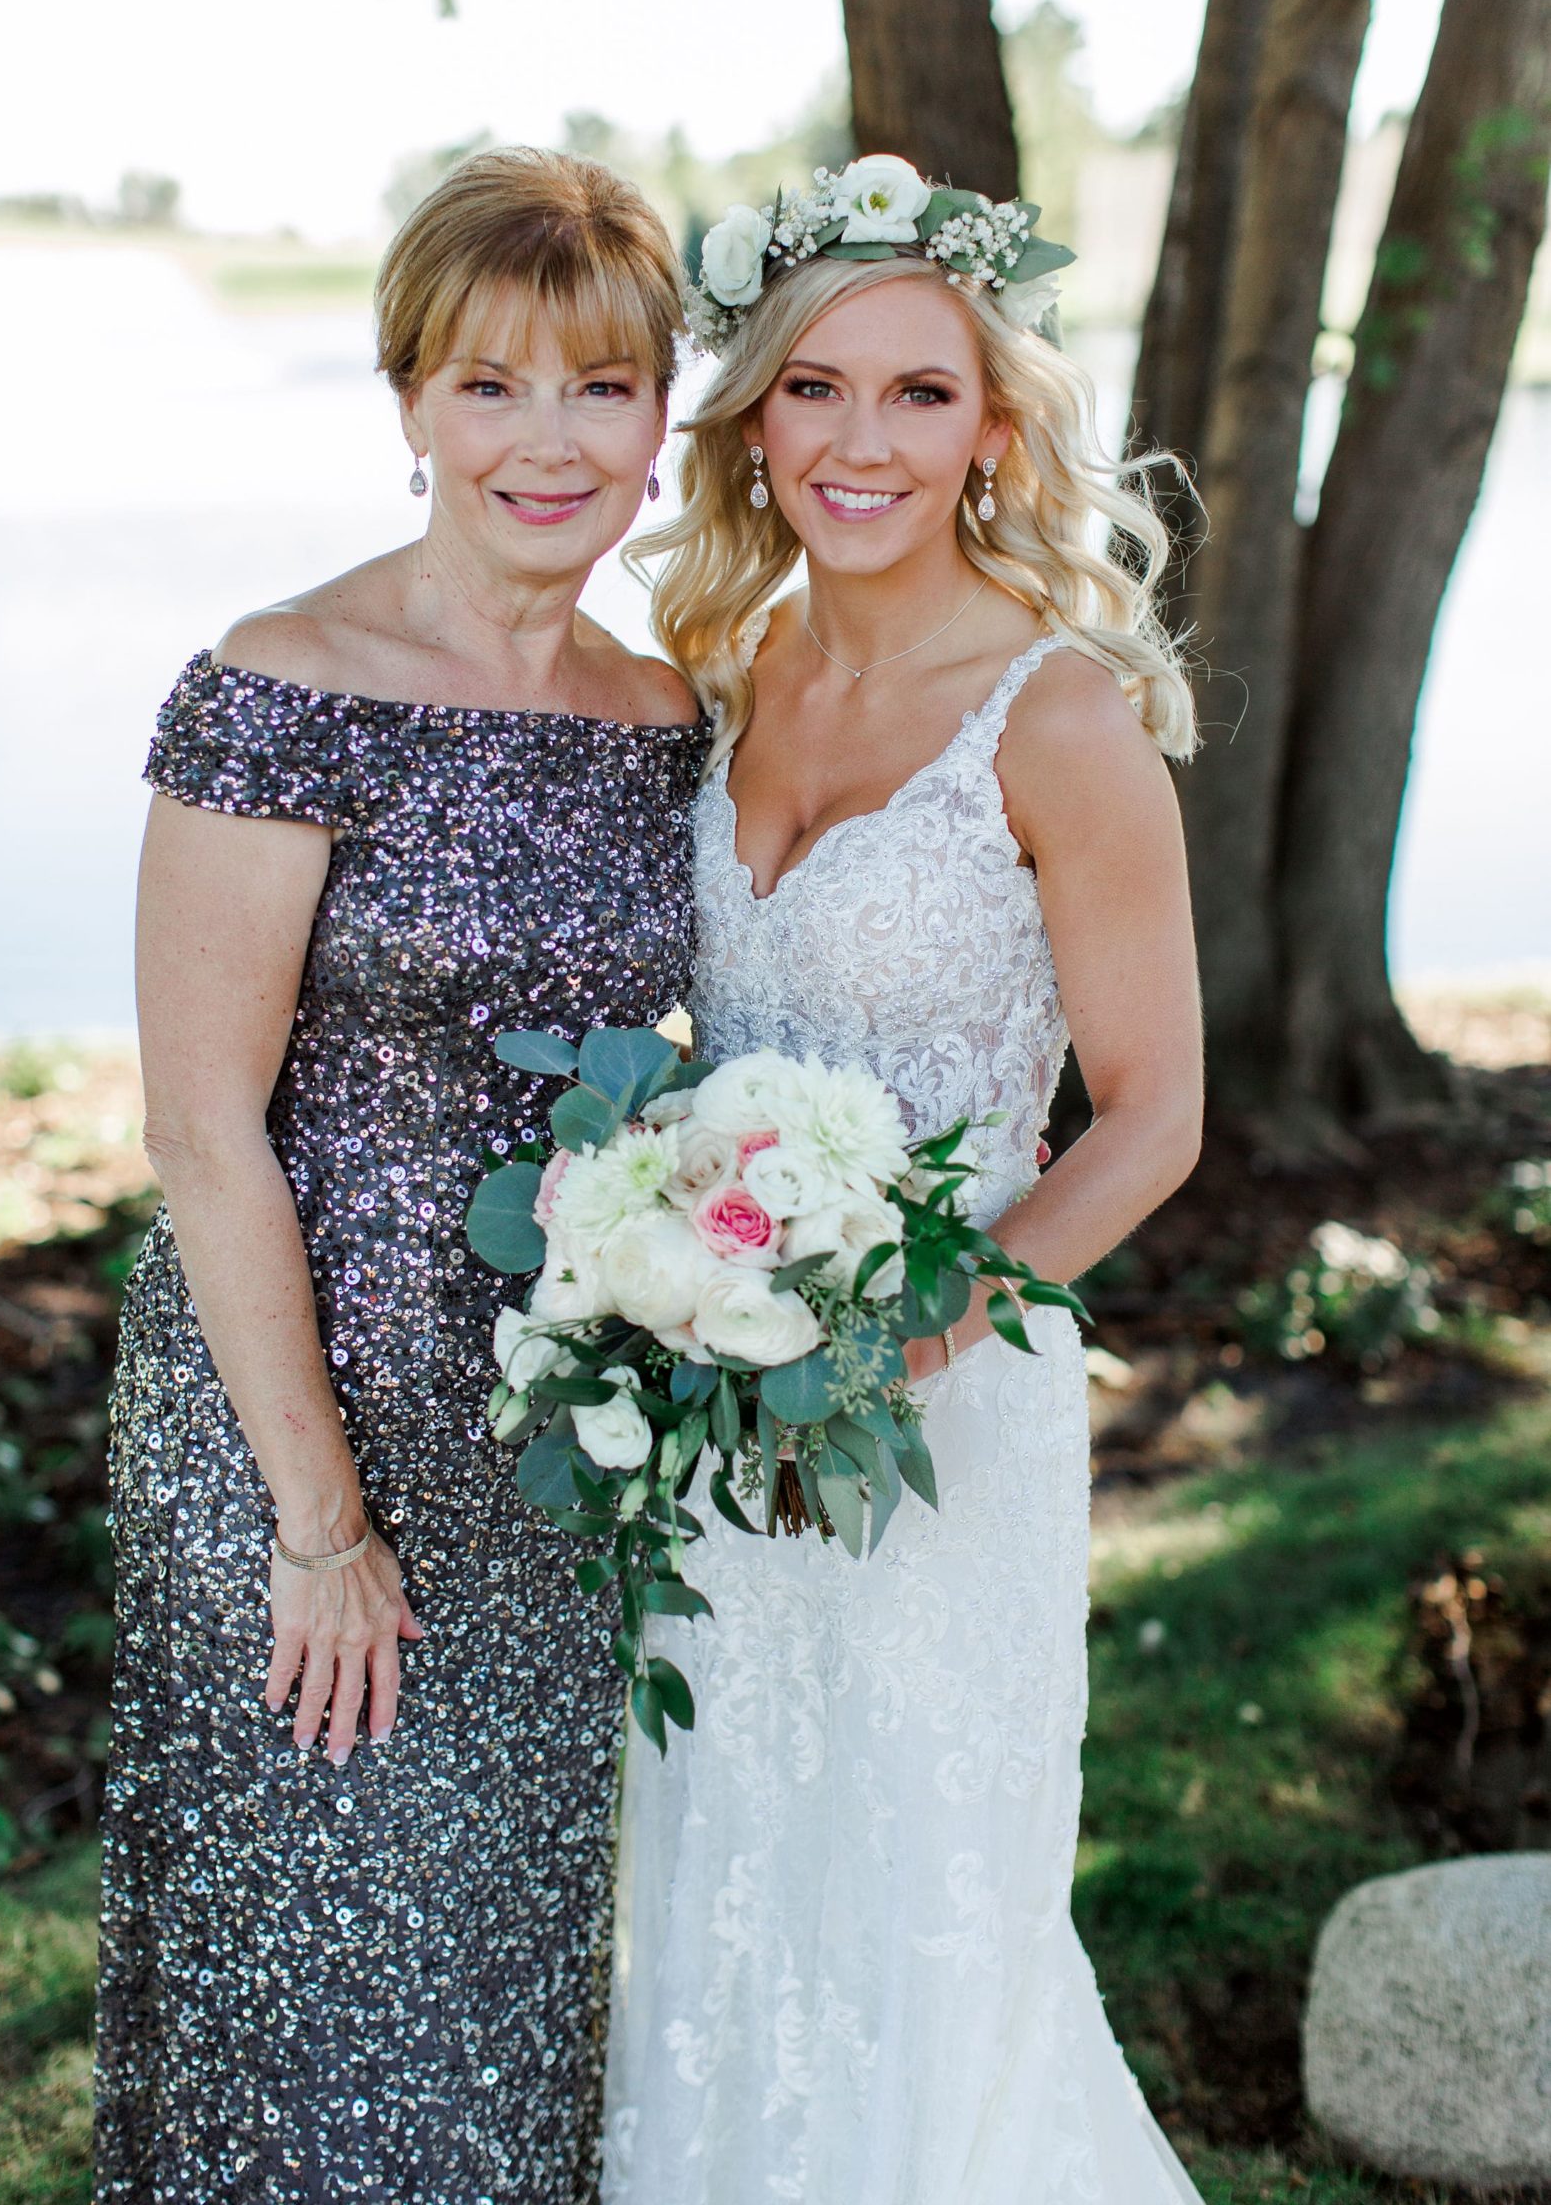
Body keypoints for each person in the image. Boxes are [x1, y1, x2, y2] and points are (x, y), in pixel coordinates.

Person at [94, 148, 707, 2204]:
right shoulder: (284, 685)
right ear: (410, 403)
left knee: (505, 1986)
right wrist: (316, 1516)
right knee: (324, 1992)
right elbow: (199, 1127)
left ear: (657, 416)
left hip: (549, 1440)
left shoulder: (662, 716)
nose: (547, 439)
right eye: (491, 384)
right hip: (294, 1424)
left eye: (601, 387)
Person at [603, 158, 1206, 2202]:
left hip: (938, 1406)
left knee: (924, 1890)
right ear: (752, 420)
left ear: (993, 425)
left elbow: (1148, 1115)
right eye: (813, 389)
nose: (859, 441)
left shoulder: (1057, 717)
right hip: (718, 1390)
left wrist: (907, 1337)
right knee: (733, 1866)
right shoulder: (729, 669)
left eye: (918, 395)